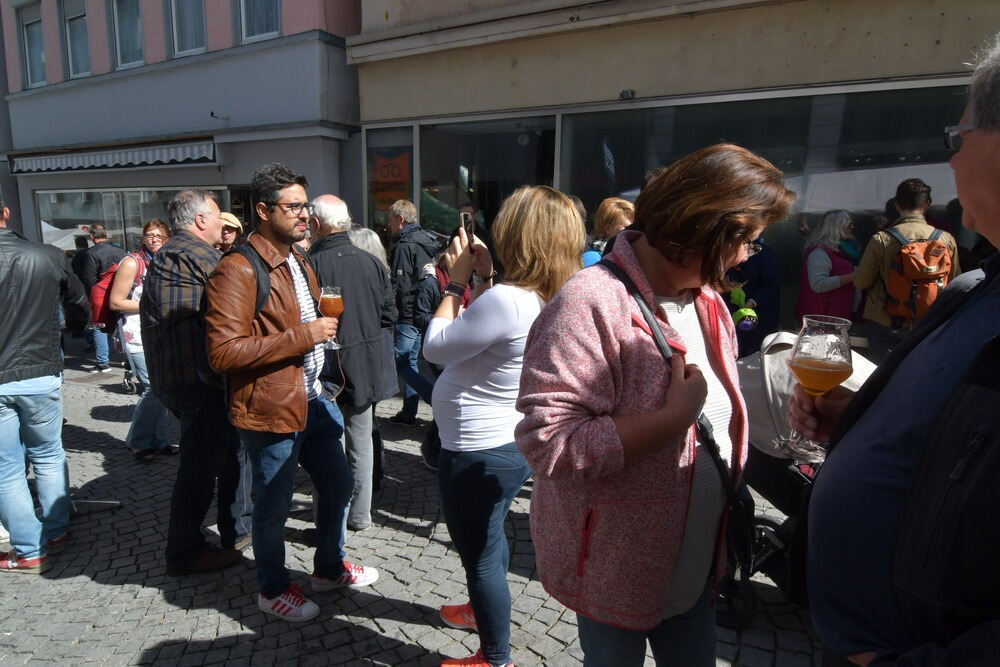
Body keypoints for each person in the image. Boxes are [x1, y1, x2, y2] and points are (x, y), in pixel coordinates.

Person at [516, 144, 795, 666]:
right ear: (701, 230)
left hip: (698, 570)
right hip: (616, 573)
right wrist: (670, 420)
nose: (746, 258)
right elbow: (548, 442)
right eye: (746, 242)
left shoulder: (708, 301)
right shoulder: (589, 302)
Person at [792, 37, 1000, 666]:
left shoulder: (888, 242)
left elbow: (861, 284)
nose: (953, 160)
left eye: (959, 138)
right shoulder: (971, 278)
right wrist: (857, 422)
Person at [205, 164, 378, 622]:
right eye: (294, 206)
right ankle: (272, 587)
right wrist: (305, 336)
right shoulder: (238, 269)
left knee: (339, 485)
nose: (305, 214)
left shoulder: (299, 258)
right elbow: (223, 352)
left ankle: (329, 568)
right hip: (272, 409)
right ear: (263, 211)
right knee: (273, 505)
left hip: (315, 398)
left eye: (306, 206)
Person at [426, 185, 584, 667]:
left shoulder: (509, 300)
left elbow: (435, 346)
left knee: (479, 553)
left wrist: (455, 283)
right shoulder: (552, 294)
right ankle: (482, 611)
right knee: (489, 538)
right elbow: (492, 338)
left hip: (475, 447)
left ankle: (495, 658)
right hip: (505, 441)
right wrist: (486, 277)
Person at [140, 190, 250, 576]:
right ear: (201, 220)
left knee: (223, 455)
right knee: (199, 469)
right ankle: (184, 552)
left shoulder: (173, 252)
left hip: (183, 377)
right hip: (198, 380)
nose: (223, 222)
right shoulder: (196, 253)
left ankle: (233, 529)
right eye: (218, 215)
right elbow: (244, 297)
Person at [0, 198, 90, 573]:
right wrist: (76, 331)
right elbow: (79, 302)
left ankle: (29, 549)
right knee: (48, 454)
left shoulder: (47, 255)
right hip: (41, 372)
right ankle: (56, 530)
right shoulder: (48, 255)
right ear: (5, 213)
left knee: (6, 469)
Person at [308, 195, 398, 532]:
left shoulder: (310, 265)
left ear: (316, 224)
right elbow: (390, 314)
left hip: (324, 367)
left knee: (324, 446)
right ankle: (360, 515)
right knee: (360, 442)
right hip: (363, 364)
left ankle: (330, 518)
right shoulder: (372, 262)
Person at [853, 178, 961, 362]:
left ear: (897, 205)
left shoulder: (882, 239)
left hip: (885, 323)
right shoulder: (945, 239)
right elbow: (955, 282)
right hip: (926, 322)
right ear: (927, 205)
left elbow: (861, 282)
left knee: (881, 374)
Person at [109, 219, 174, 461]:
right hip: (136, 335)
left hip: (161, 335)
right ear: (143, 238)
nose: (154, 239)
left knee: (162, 389)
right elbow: (116, 302)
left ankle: (158, 440)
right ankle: (138, 440)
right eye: (150, 235)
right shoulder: (132, 263)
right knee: (153, 388)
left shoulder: (166, 262)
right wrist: (153, 306)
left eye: (159, 235)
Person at [388, 199, 440, 426]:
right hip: (423, 311)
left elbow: (400, 285)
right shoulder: (426, 241)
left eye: (391, 220)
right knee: (410, 362)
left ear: (400, 219)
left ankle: (434, 398)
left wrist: (394, 313)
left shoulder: (404, 245)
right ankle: (409, 413)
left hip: (407, 314)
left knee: (401, 363)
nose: (388, 225)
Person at [73, 223, 126, 372]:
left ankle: (103, 362)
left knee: (99, 325)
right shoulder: (121, 251)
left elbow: (89, 279)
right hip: (121, 291)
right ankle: (128, 359)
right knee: (122, 325)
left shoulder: (91, 253)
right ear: (106, 235)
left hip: (100, 293)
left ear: (92, 236)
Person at [794, 210, 858, 324]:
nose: (852, 227)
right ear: (836, 227)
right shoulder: (820, 251)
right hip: (819, 321)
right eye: (849, 224)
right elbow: (818, 284)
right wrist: (853, 276)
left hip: (835, 318)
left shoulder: (844, 250)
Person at [582, 197, 634, 266]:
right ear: (608, 229)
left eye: (634, 227)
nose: (632, 231)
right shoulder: (592, 258)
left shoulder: (628, 255)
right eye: (627, 228)